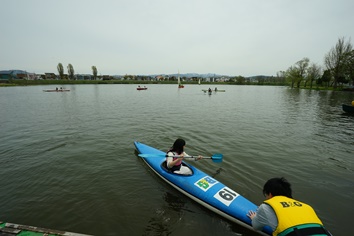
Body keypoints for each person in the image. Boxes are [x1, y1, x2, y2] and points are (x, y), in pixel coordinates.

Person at [247, 177, 331, 236]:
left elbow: (256, 227)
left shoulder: (265, 207)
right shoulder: (307, 206)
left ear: (270, 194)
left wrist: (254, 217)